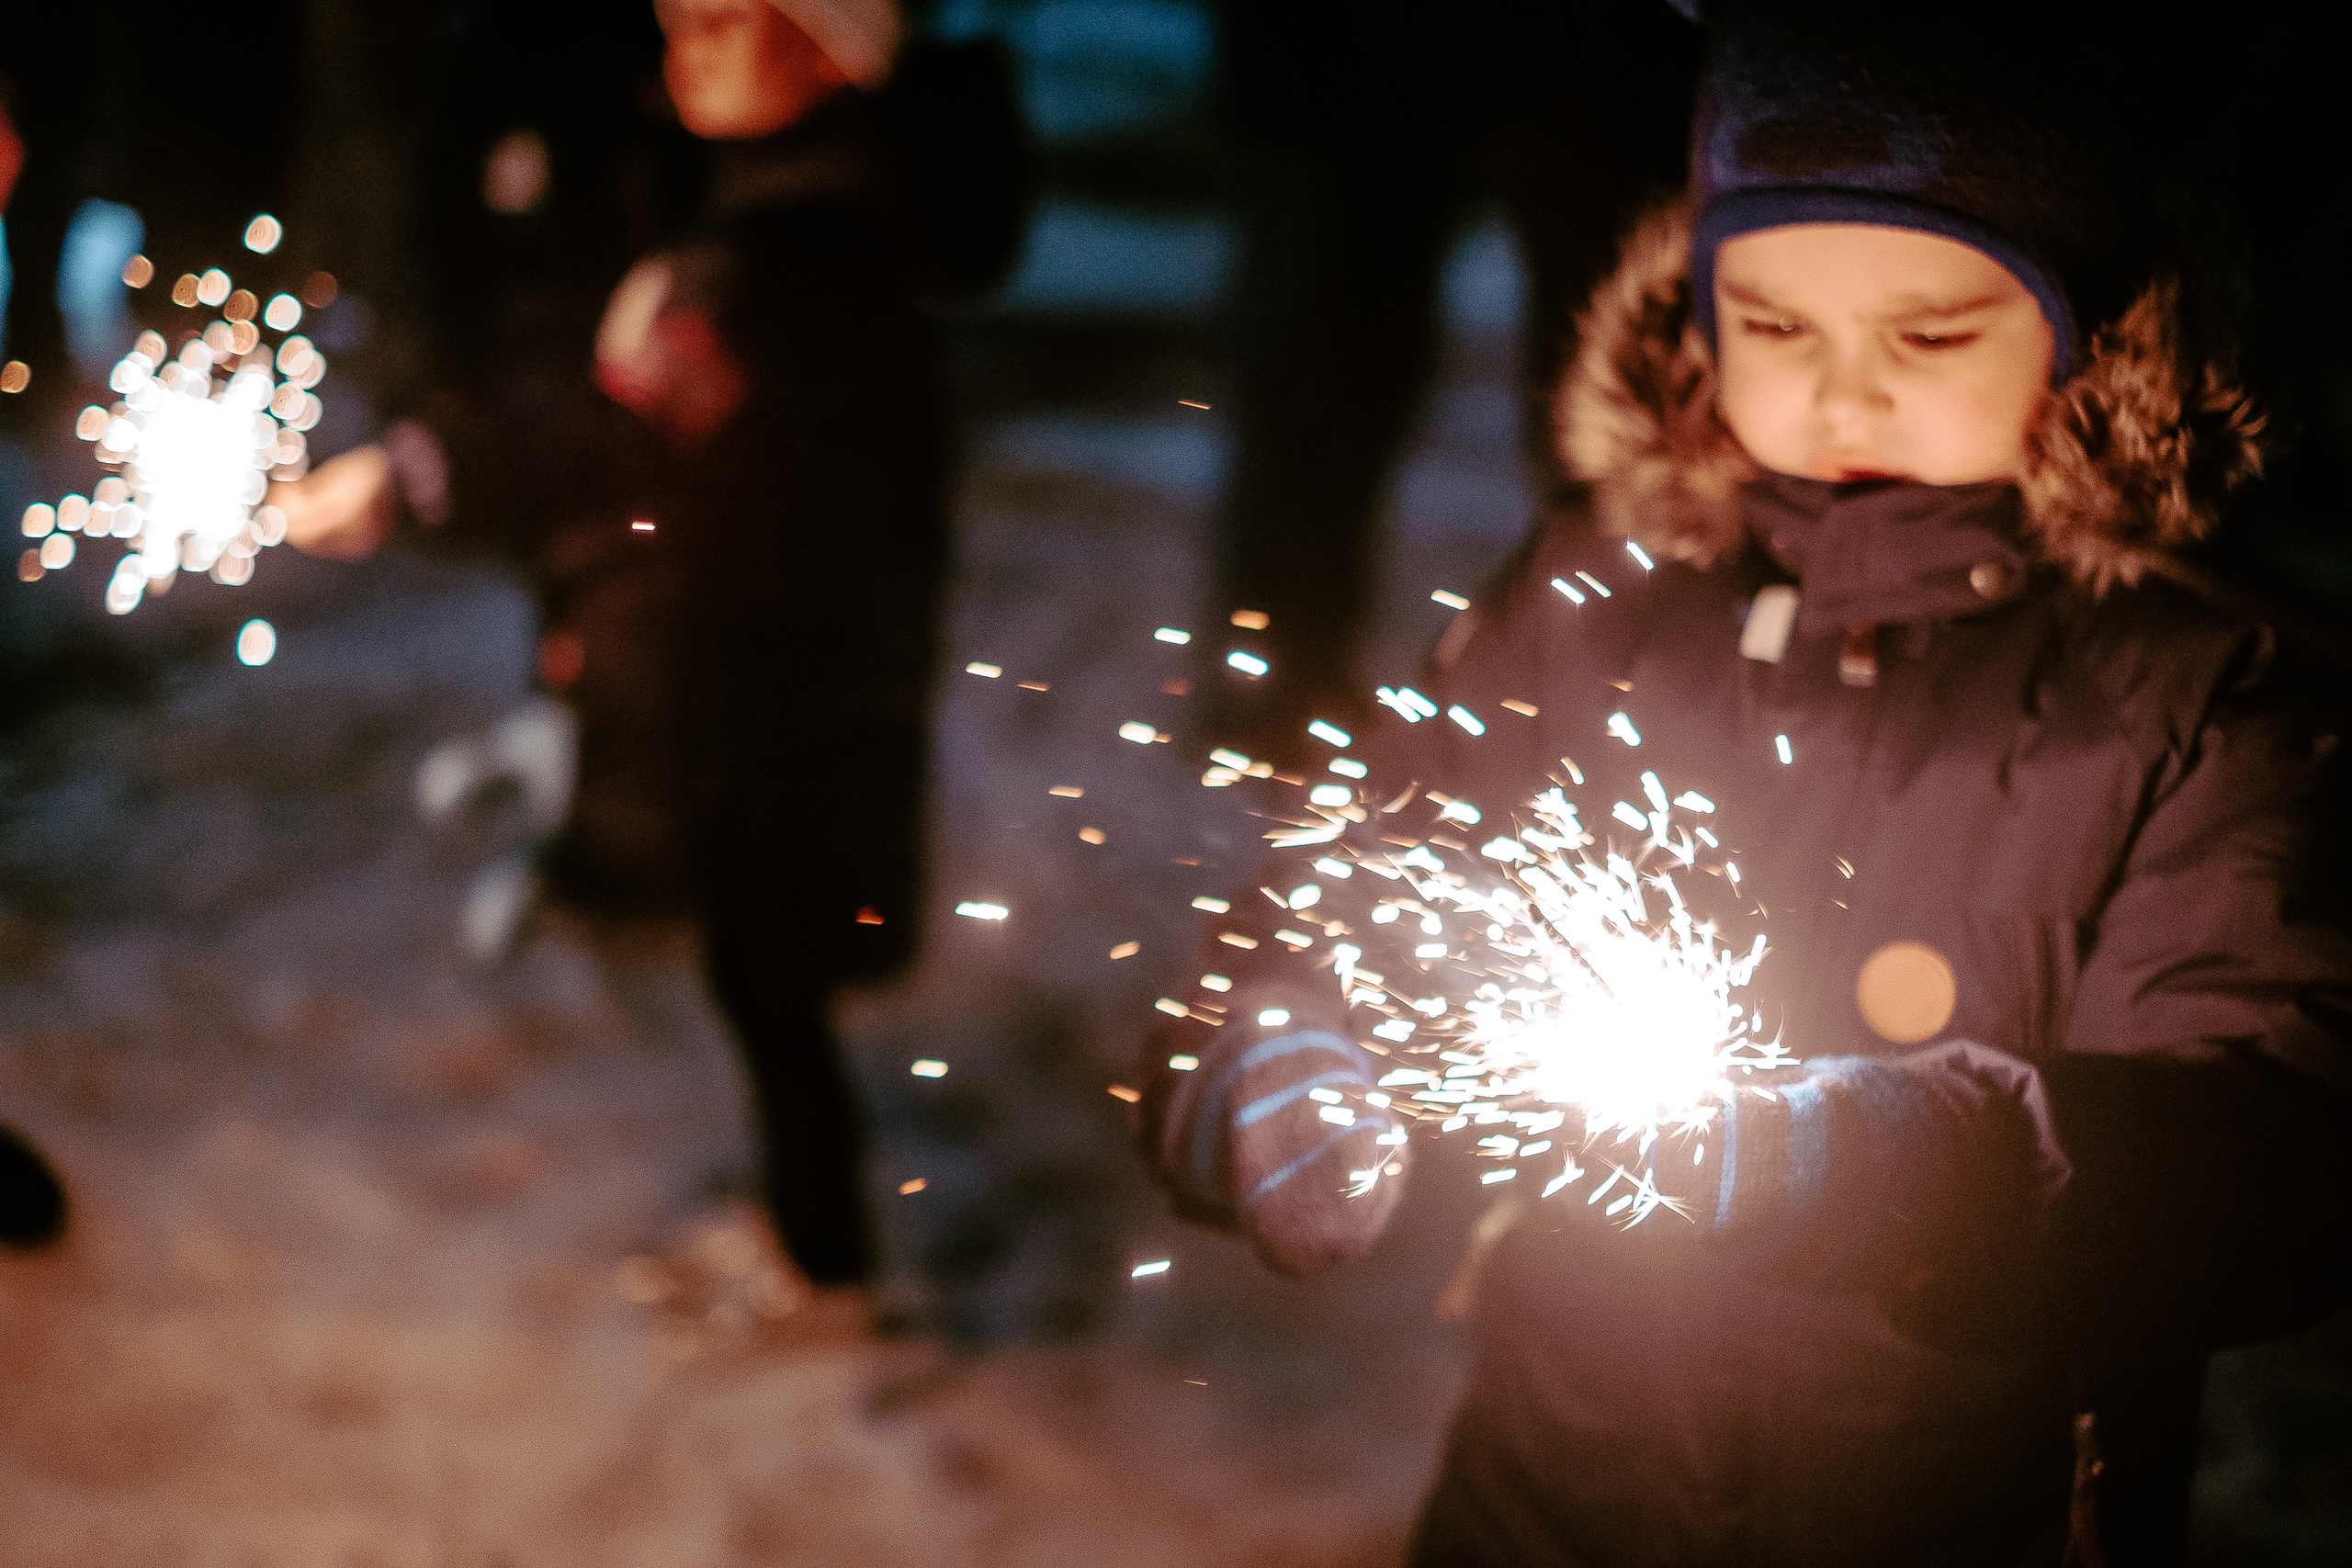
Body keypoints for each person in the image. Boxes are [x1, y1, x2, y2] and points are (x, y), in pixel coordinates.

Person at [1138, 4, 2352, 1562]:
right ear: (1695, 315)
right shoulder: (1601, 594)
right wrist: (1264, 1062)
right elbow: (1357, 875)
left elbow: (2275, 1140)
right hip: (1540, 1495)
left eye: (1928, 336)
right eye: (1776, 327)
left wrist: (1922, 1170)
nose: (1842, 398)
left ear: (2102, 326)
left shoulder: (2209, 695)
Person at [278, 0, 1024, 1292]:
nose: (685, 43)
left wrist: (415, 478)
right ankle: (810, 1226)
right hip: (784, 645)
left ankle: (820, 1253)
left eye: (730, 25)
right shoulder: (778, 202)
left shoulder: (789, 252)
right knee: (762, 945)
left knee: (767, 956)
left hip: (789, 672)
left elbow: (616, 435)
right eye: (681, 16)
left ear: (826, 51)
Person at [1203, 0, 1703, 765]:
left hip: (1594, 48)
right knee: (1315, 357)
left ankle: (1628, 707)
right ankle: (1269, 705)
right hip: (1334, 47)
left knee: (1613, 393)